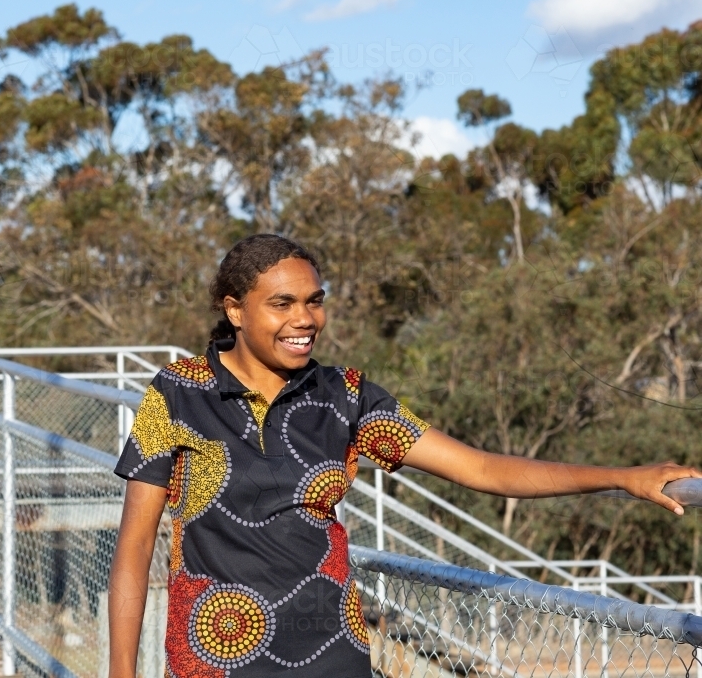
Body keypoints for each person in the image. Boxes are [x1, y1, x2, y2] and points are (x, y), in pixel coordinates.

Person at [107, 234, 700, 678]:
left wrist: (622, 477)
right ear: (235, 310)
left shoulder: (346, 397)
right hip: (215, 655)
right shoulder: (178, 393)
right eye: (282, 304)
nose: (305, 320)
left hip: (328, 652)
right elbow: (133, 553)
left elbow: (482, 469)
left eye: (315, 301)